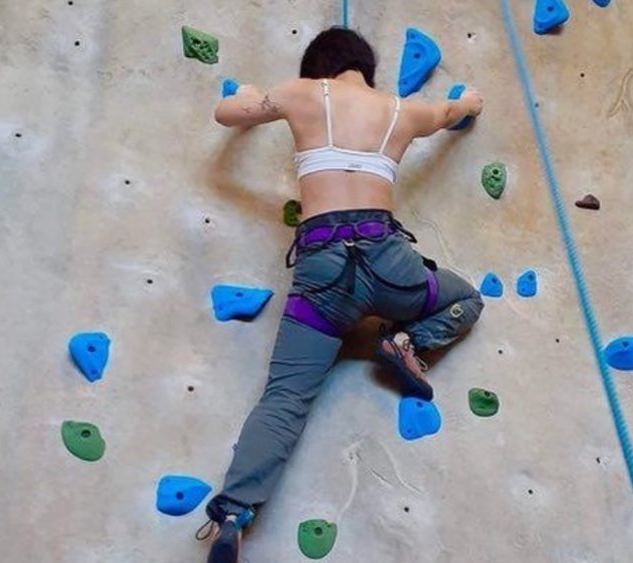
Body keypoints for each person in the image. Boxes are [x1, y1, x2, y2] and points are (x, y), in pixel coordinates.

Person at [200, 26, 485, 563]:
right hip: (391, 263)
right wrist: (467, 101)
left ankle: (234, 513)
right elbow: (452, 115)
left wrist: (245, 97)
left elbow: (226, 113)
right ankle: (406, 342)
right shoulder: (402, 109)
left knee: (284, 398)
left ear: (317, 66)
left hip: (322, 275)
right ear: (364, 68)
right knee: (465, 298)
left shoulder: (301, 92)